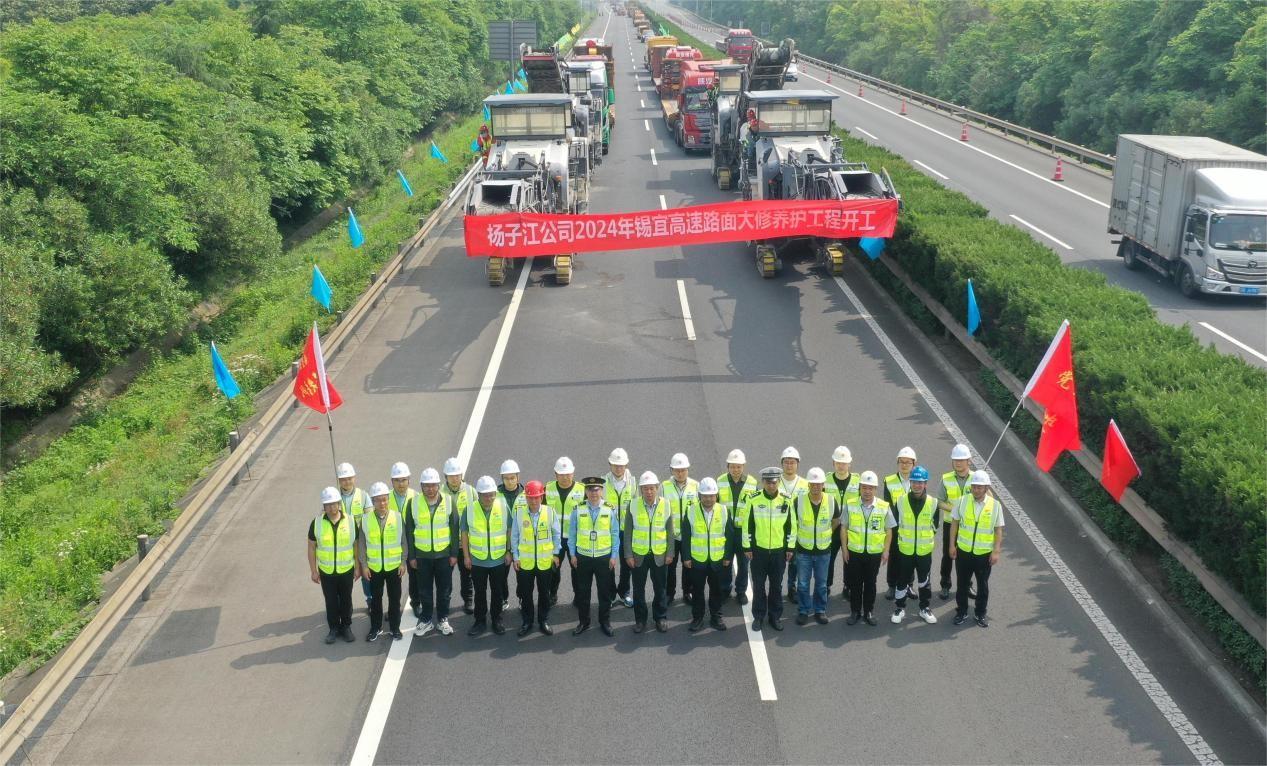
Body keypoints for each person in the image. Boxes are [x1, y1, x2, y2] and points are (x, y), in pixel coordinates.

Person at [950, 470, 1004, 628]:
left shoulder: (995, 506)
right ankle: (961, 612)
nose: (976, 490)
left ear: (987, 488)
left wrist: (996, 551)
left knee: (983, 586)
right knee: (962, 585)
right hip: (963, 552)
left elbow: (998, 530)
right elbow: (954, 523)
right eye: (974, 486)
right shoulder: (962, 501)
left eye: (980, 487)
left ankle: (980, 613)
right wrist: (951, 545)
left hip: (983, 554)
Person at [743, 467, 794, 631]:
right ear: (762, 482)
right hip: (759, 551)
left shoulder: (786, 500)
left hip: (779, 552)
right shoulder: (754, 499)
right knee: (758, 586)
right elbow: (747, 525)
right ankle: (758, 617)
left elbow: (791, 526)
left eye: (774, 482)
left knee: (776, 587)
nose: (771, 485)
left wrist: (790, 547)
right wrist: (747, 546)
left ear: (778, 481)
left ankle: (775, 616)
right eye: (768, 482)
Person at [623, 471, 675, 633]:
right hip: (639, 556)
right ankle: (640, 620)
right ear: (640, 490)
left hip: (660, 555)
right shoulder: (633, 505)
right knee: (639, 590)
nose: (649, 492)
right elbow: (628, 533)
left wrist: (670, 553)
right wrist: (628, 555)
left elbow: (670, 531)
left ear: (657, 488)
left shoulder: (666, 504)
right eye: (645, 489)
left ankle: (660, 617)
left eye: (652, 488)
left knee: (660, 589)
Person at [408, 467, 458, 637]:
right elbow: (409, 531)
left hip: (443, 555)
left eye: (433, 485)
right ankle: (427, 619)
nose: (430, 489)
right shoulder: (413, 503)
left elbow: (454, 529)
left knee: (445, 590)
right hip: (422, 556)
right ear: (421, 486)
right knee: (424, 590)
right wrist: (412, 556)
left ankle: (443, 619)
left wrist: (453, 554)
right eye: (426, 485)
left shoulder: (449, 501)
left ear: (438, 485)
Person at [461, 475, 512, 636]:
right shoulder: (469, 509)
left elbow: (510, 530)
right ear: (479, 494)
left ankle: (497, 619)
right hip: (478, 560)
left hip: (498, 559)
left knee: (497, 592)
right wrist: (466, 556)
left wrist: (509, 551)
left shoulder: (503, 507)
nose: (489, 498)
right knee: (480, 592)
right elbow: (464, 534)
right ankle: (480, 621)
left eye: (491, 494)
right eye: (485, 494)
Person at [569, 477, 620, 637]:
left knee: (604, 592)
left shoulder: (610, 509)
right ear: (585, 491)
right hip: (583, 556)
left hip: (603, 557)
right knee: (583, 592)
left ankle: (604, 622)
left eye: (596, 489)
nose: (593, 493)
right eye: (590, 490)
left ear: (601, 491)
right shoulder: (578, 509)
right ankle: (584, 622)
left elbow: (614, 534)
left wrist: (613, 556)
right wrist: (572, 554)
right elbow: (572, 534)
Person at [842, 471, 894, 626]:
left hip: (874, 554)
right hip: (855, 552)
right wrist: (844, 549)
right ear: (860, 488)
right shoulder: (850, 505)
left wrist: (886, 551)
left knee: (871, 584)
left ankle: (868, 612)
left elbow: (889, 530)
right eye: (864, 487)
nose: (867, 491)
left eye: (871, 488)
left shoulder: (884, 507)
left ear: (875, 489)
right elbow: (843, 528)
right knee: (855, 584)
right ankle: (855, 612)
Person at [308, 486, 358, 644]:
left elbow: (356, 545)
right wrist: (313, 570)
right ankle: (334, 628)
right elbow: (311, 547)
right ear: (323, 506)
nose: (331, 507)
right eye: (327, 504)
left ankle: (346, 627)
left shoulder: (350, 521)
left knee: (346, 600)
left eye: (334, 503)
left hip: (346, 570)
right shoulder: (316, 523)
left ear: (339, 503)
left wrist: (357, 566)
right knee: (330, 601)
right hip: (326, 571)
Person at [510, 480, 560, 636]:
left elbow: (556, 534)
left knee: (544, 593)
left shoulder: (550, 512)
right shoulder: (519, 513)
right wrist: (515, 557)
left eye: (537, 497)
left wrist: (556, 554)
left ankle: (543, 620)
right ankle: (527, 621)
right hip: (525, 563)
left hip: (545, 562)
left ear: (542, 497)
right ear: (526, 498)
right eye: (530, 498)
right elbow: (514, 537)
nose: (533, 501)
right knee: (526, 594)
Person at [682, 477, 732, 632]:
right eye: (705, 495)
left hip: (718, 560)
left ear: (716, 495)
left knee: (716, 591)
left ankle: (716, 617)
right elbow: (686, 536)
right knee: (697, 591)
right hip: (697, 560)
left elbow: (729, 536)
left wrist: (727, 556)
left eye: (711, 495)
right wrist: (686, 557)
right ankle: (697, 618)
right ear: (699, 495)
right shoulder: (691, 511)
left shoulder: (723, 511)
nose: (708, 499)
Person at [890, 466, 938, 625]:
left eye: (920, 482)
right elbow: (896, 525)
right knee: (902, 580)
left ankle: (924, 608)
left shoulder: (933, 503)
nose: (917, 485)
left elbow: (935, 526)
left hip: (924, 551)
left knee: (924, 581)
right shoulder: (900, 501)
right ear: (910, 482)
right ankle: (899, 608)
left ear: (925, 483)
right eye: (914, 481)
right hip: (905, 550)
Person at [793, 467, 840, 625]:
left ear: (823, 484)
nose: (815, 487)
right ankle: (803, 610)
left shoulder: (831, 501)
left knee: (821, 584)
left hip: (823, 550)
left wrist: (826, 532)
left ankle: (820, 610)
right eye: (812, 484)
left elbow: (836, 520)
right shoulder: (798, 501)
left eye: (818, 484)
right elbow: (793, 523)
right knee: (803, 584)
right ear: (808, 484)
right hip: (803, 550)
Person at [358, 482, 404, 641]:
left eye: (384, 499)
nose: (382, 503)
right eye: (377, 500)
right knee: (376, 600)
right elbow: (362, 545)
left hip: (394, 567)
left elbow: (404, 541)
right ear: (373, 501)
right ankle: (375, 628)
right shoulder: (365, 519)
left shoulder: (397, 517)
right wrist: (364, 565)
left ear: (388, 500)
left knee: (394, 599)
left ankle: (395, 628)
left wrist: (403, 562)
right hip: (374, 567)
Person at [717, 449, 758, 604]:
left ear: (743, 466)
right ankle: (725, 589)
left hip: (743, 530)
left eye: (739, 466)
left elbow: (755, 508)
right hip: (725, 529)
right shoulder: (720, 481)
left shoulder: (752, 483)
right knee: (725, 561)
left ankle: (741, 591)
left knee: (743, 563)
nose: (736, 470)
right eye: (733, 466)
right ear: (728, 466)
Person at [546, 457, 586, 606]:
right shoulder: (547, 489)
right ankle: (552, 594)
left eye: (568, 473)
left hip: (574, 539)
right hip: (554, 538)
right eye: (562, 474)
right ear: (555, 474)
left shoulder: (582, 490)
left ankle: (578, 595)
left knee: (577, 569)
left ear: (573, 473)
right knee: (553, 568)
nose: (565, 477)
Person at [936, 444, 973, 601]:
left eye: (961, 460)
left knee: (967, 557)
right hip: (950, 523)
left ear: (968, 461)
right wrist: (954, 509)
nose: (958, 463)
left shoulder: (976, 478)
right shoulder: (946, 479)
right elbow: (939, 501)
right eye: (955, 460)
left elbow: (988, 499)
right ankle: (945, 584)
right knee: (948, 555)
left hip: (969, 526)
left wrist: (985, 485)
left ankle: (967, 584)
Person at [441, 458, 478, 614]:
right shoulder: (440, 492)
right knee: (445, 577)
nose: (454, 478)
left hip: (465, 543)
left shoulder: (470, 491)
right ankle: (445, 602)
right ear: (446, 477)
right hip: (446, 544)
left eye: (457, 475)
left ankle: (468, 599)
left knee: (467, 574)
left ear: (461, 475)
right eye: (451, 476)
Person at [662, 453, 699, 607]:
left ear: (688, 469)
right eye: (677, 470)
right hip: (671, 536)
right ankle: (669, 593)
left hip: (689, 535)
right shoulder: (663, 487)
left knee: (688, 565)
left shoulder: (696, 486)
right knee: (669, 565)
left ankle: (687, 591)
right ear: (671, 470)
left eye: (683, 470)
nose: (680, 473)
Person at [824, 446, 859, 602]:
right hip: (831, 527)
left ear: (849, 464)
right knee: (828, 558)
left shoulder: (858, 481)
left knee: (849, 558)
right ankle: (826, 585)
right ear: (833, 462)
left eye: (844, 463)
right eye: (838, 462)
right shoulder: (825, 480)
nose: (841, 465)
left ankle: (848, 585)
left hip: (850, 528)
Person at [604, 448, 637, 609]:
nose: (618, 468)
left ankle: (624, 592)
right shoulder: (602, 483)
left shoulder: (633, 482)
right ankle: (610, 594)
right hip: (608, 530)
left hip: (626, 529)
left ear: (626, 465)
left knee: (627, 563)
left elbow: (638, 505)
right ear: (610, 464)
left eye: (621, 465)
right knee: (609, 563)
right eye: (615, 465)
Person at [337, 462, 374, 607]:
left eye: (349, 478)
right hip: (342, 544)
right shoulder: (335, 497)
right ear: (339, 480)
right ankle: (344, 604)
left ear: (354, 478)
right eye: (344, 479)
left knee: (365, 573)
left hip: (361, 542)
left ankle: (370, 599)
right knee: (343, 576)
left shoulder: (363, 495)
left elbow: (370, 518)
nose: (347, 481)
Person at [883, 446, 917, 600]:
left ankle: (909, 585)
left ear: (913, 464)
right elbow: (887, 505)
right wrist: (891, 526)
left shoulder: (918, 481)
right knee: (894, 556)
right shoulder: (889, 480)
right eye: (901, 462)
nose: (904, 465)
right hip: (895, 526)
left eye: (908, 462)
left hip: (912, 527)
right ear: (898, 463)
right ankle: (892, 585)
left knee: (910, 557)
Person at [778, 446, 809, 604]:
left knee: (795, 562)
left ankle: (792, 587)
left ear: (797, 464)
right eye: (786, 462)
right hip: (778, 529)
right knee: (778, 561)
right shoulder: (775, 482)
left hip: (797, 529)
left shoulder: (805, 484)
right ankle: (778, 587)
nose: (789, 465)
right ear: (782, 464)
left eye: (792, 462)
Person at [387, 462, 419, 616]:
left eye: (404, 480)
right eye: (397, 480)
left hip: (412, 543)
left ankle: (416, 602)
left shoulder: (416, 496)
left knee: (415, 575)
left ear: (409, 480)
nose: (401, 484)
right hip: (393, 546)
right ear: (392, 481)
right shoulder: (385, 498)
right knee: (394, 580)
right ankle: (394, 607)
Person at [498, 460, 525, 612]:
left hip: (522, 542)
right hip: (502, 542)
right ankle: (503, 598)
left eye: (512, 478)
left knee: (522, 574)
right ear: (502, 478)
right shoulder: (495, 494)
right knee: (501, 574)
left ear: (518, 477)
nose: (510, 481)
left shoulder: (527, 494)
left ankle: (521, 598)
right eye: (506, 478)